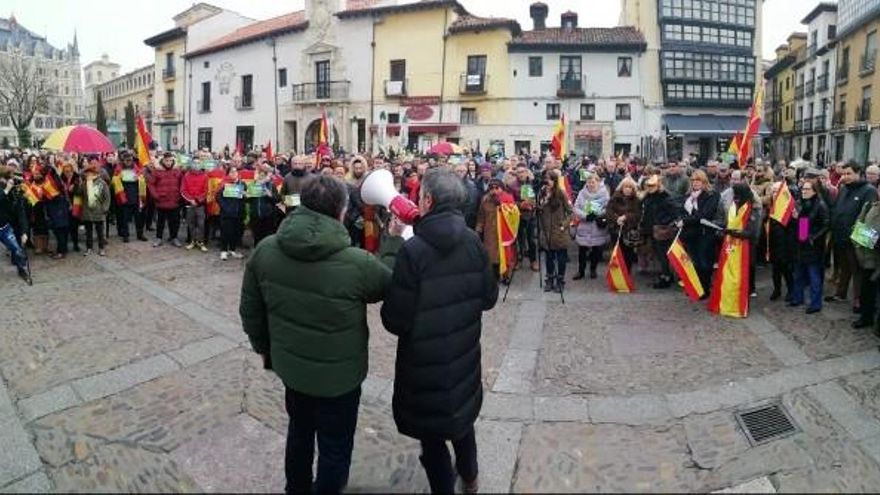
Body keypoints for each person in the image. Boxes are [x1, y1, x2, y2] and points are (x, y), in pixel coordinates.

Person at [239, 175, 393, 494]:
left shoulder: (266, 250)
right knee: (335, 448)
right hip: (341, 379)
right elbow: (392, 284)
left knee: (299, 433)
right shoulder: (358, 263)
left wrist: (268, 351)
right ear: (340, 211)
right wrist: (392, 242)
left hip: (291, 370)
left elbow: (251, 313)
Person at [380, 169, 498, 495]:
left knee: (432, 439)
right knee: (462, 423)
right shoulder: (474, 243)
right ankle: (471, 480)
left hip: (423, 367)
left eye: (420, 196)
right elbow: (488, 299)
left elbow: (395, 320)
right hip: (463, 358)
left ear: (428, 200)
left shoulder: (412, 251)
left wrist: (392, 239)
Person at [826, 161, 878, 312]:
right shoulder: (843, 189)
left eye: (849, 174)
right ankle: (840, 293)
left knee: (858, 271)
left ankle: (859, 300)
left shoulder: (868, 190)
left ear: (858, 173)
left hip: (856, 238)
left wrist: (857, 235)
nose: (845, 177)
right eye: (843, 174)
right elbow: (836, 208)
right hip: (839, 236)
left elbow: (868, 218)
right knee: (844, 268)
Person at [677, 170, 719, 295]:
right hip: (691, 234)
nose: (695, 183)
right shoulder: (688, 196)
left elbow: (704, 215)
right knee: (694, 262)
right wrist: (680, 219)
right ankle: (695, 287)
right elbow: (681, 211)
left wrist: (685, 220)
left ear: (704, 181)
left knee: (704, 263)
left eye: (698, 180)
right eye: (693, 180)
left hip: (705, 233)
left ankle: (704, 289)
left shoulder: (712, 195)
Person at [789, 181, 830, 314]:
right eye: (803, 189)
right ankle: (797, 297)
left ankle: (815, 303)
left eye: (807, 189)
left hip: (814, 245)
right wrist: (796, 219)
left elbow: (826, 224)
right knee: (799, 273)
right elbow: (801, 223)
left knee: (814, 276)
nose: (804, 191)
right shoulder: (800, 202)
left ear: (814, 191)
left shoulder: (820, 205)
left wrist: (813, 237)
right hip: (801, 241)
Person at [642, 174, 681, 289]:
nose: (650, 187)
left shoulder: (665, 197)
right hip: (651, 229)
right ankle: (664, 275)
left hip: (662, 229)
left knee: (663, 254)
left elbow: (674, 213)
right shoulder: (648, 196)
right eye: (649, 185)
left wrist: (662, 222)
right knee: (658, 254)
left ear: (659, 184)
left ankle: (666, 276)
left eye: (653, 185)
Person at [536, 169, 572, 292]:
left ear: (555, 181)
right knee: (549, 258)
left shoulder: (561, 193)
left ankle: (560, 280)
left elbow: (570, 212)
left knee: (561, 258)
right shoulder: (541, 193)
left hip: (559, 231)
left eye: (551, 179)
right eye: (547, 179)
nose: (549, 182)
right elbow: (538, 210)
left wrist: (564, 225)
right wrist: (540, 204)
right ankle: (550, 279)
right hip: (546, 232)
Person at [573, 173, 610, 280]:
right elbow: (576, 207)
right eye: (589, 182)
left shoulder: (604, 194)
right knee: (582, 250)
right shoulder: (582, 193)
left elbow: (608, 207)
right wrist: (585, 216)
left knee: (596, 250)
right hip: (584, 225)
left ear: (598, 182)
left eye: (593, 182)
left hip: (597, 225)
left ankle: (593, 269)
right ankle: (581, 271)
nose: (591, 184)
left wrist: (598, 214)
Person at [767, 182, 797, 302]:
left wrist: (805, 239)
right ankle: (777, 290)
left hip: (788, 244)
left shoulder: (792, 205)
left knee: (787, 270)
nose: (775, 194)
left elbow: (803, 226)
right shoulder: (772, 206)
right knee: (775, 270)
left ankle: (791, 291)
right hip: (775, 244)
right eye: (773, 191)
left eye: (777, 191)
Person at [0, 166, 31, 282]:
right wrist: (5, 191)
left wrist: (24, 231)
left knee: (17, 248)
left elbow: (21, 213)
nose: (11, 181)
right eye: (8, 178)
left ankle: (21, 269)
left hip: (8, 226)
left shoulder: (15, 191)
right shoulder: (4, 190)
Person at [605, 176, 642, 273]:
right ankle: (616, 273)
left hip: (628, 231)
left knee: (628, 253)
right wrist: (616, 219)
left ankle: (626, 272)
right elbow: (608, 211)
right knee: (617, 252)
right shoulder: (614, 198)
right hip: (616, 229)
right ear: (622, 187)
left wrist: (626, 217)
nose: (628, 189)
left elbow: (637, 214)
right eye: (626, 187)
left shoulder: (636, 200)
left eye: (630, 187)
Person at [148, 153, 183, 247]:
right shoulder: (157, 171)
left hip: (174, 200)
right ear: (163, 161)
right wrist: (155, 196)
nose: (168, 163)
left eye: (170, 160)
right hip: (161, 201)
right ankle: (158, 238)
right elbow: (151, 184)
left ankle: (174, 237)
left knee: (174, 221)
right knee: (160, 221)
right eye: (166, 160)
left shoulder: (178, 171)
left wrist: (180, 195)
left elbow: (182, 184)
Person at [112, 151, 147, 243]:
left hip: (136, 196)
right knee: (125, 218)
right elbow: (114, 180)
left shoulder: (136, 168)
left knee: (138, 218)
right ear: (123, 161)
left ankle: (140, 234)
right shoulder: (119, 169)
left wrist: (138, 178)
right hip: (124, 196)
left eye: (130, 160)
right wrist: (119, 177)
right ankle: (125, 235)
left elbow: (142, 178)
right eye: (126, 160)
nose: (128, 162)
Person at [80, 160, 111, 257]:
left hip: (99, 210)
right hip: (87, 211)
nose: (88, 174)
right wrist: (79, 183)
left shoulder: (101, 183)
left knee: (100, 231)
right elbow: (80, 194)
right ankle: (89, 247)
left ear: (94, 173)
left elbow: (107, 196)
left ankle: (101, 248)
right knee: (88, 232)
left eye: (90, 173)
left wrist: (105, 208)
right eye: (87, 173)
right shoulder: (84, 183)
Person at [513, 166, 539, 271]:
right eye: (519, 172)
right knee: (519, 240)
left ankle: (533, 261)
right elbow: (509, 201)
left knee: (531, 240)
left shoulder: (531, 183)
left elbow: (536, 197)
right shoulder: (512, 186)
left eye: (523, 172)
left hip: (531, 216)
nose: (521, 174)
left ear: (526, 172)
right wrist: (520, 204)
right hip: (518, 216)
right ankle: (519, 260)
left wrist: (532, 203)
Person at [181, 157, 209, 252]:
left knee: (201, 224)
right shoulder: (186, 175)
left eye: (198, 163)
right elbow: (183, 190)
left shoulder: (205, 176)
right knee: (191, 224)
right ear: (191, 164)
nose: (196, 165)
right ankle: (193, 241)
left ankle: (201, 242)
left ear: (201, 164)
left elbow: (205, 191)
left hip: (200, 205)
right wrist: (190, 200)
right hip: (189, 204)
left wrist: (197, 200)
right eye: (194, 163)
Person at [217, 167, 246, 260]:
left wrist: (245, 194)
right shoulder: (223, 184)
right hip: (226, 213)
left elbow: (246, 198)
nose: (233, 173)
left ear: (238, 173)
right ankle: (224, 251)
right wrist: (225, 207)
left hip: (238, 213)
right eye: (231, 172)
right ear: (228, 174)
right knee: (226, 232)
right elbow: (218, 197)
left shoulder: (243, 184)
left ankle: (232, 250)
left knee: (235, 232)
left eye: (235, 171)